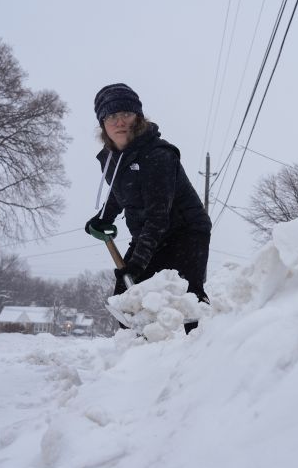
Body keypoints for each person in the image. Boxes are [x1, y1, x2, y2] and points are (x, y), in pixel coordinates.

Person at [85, 83, 212, 332]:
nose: (119, 121)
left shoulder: (158, 155)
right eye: (112, 116)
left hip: (186, 230)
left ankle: (203, 349)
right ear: (103, 124)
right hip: (149, 232)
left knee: (187, 295)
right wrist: (104, 217)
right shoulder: (111, 158)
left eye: (126, 114)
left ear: (138, 118)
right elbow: (120, 192)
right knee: (126, 294)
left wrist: (138, 263)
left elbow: (158, 215)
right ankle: (134, 354)